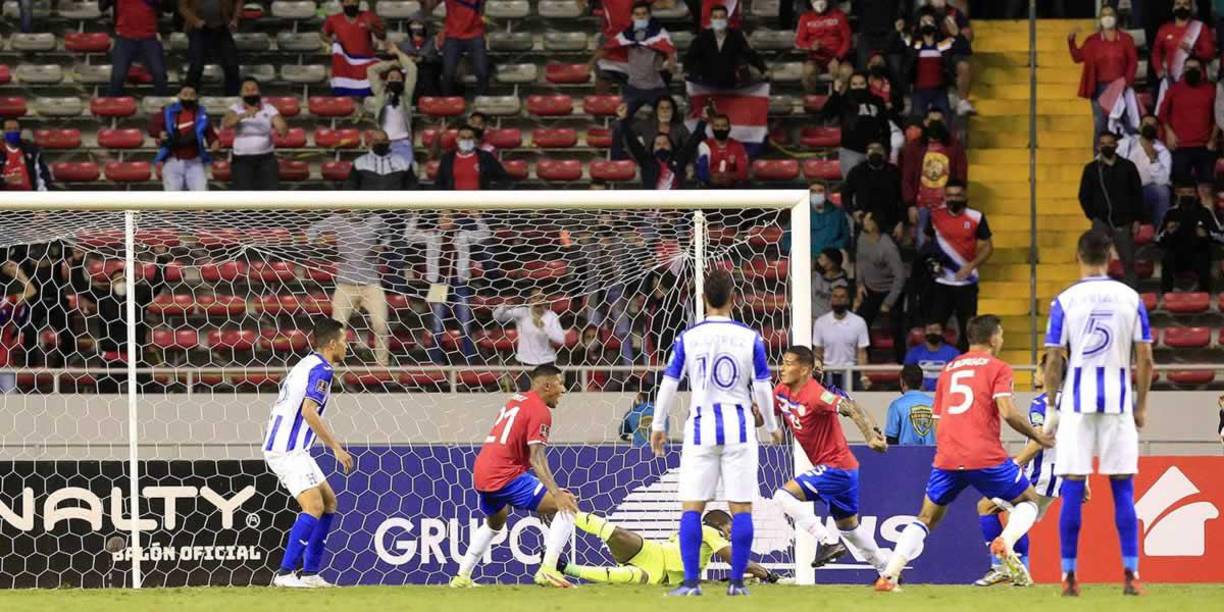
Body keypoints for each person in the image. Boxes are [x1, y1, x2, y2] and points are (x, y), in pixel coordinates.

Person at [875, 315, 1055, 592]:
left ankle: (889, 575)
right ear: (994, 337)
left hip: (947, 456)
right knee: (1028, 500)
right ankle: (1005, 542)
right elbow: (1007, 412)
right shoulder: (998, 368)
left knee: (926, 517)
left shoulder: (948, 370)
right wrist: (1036, 435)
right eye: (1002, 335)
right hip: (985, 455)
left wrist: (949, 448)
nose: (1003, 340)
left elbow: (937, 419)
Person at [649, 269, 782, 597]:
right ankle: (737, 583)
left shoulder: (688, 337)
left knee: (692, 508)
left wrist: (657, 424)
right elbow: (762, 386)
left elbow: (669, 382)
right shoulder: (751, 337)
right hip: (740, 431)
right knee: (742, 510)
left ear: (704, 299)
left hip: (700, 431)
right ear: (734, 299)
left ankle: (692, 583)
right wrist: (772, 424)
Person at [1043, 229, 1154, 597]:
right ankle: (1131, 573)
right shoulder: (1130, 298)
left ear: (1078, 255)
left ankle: (1069, 575)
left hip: (1076, 404)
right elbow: (1145, 357)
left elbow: (1054, 358)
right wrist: (1140, 407)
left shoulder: (1065, 300)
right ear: (1110, 255)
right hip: (1118, 403)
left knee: (1073, 486)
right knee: (1122, 488)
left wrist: (1052, 404)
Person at [451, 364, 578, 588]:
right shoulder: (541, 411)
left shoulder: (517, 399)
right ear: (547, 385)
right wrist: (556, 494)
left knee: (495, 523)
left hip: (483, 471)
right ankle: (549, 570)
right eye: (560, 383)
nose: (563, 390)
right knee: (567, 505)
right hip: (505, 474)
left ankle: (462, 577)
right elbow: (536, 458)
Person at [771, 345, 890, 572]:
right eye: (783, 362)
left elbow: (852, 407)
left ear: (804, 369)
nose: (782, 368)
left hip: (836, 467)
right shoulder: (781, 392)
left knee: (782, 497)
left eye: (788, 363)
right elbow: (762, 415)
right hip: (844, 469)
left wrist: (871, 436)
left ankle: (828, 542)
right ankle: (888, 571)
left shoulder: (818, 395)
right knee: (850, 529)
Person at [264, 319, 352, 588]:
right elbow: (308, 411)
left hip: (294, 447)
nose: (348, 347)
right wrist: (336, 447)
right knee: (313, 505)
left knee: (329, 503)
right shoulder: (322, 370)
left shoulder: (309, 363)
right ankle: (285, 574)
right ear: (332, 344)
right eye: (345, 341)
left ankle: (311, 573)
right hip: (286, 448)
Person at [974, 352, 1064, 587]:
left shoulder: (1042, 402)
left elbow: (1039, 438)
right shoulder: (1073, 404)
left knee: (985, 506)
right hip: (1057, 477)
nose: (1035, 373)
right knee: (1018, 517)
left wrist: (1017, 462)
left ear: (1048, 374)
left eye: (1038, 369)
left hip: (1038, 473)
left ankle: (1000, 565)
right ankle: (1020, 572)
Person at [559, 509, 778, 585]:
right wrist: (765, 573)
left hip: (660, 572)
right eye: (730, 529)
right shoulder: (709, 531)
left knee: (621, 566)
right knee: (619, 538)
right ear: (719, 524)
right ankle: (566, 512)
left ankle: (567, 567)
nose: (730, 536)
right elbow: (736, 560)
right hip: (655, 557)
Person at [403, 211, 490, 364]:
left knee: (465, 323)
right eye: (442, 217)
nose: (445, 220)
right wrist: (416, 215)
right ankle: (435, 362)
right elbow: (409, 236)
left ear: (453, 220)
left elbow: (485, 234)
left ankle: (470, 361)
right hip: (438, 283)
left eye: (448, 217)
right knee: (437, 325)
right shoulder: (432, 235)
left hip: (459, 282)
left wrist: (477, 217)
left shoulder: (462, 234)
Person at [307, 211, 391, 366]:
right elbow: (312, 230)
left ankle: (382, 367)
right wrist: (318, 241)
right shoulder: (337, 220)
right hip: (346, 285)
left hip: (371, 284)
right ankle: (332, 368)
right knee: (336, 328)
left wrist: (383, 247)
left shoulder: (376, 220)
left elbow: (388, 235)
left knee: (381, 325)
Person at [926, 180, 993, 352]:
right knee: (934, 328)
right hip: (941, 283)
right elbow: (928, 242)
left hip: (967, 284)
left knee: (968, 330)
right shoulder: (934, 215)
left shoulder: (976, 217)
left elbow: (988, 247)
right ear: (945, 196)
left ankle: (966, 363)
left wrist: (970, 266)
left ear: (965, 196)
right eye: (950, 195)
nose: (954, 199)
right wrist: (932, 262)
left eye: (958, 195)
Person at [1077, 131, 1143, 289]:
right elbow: (1084, 195)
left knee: (1128, 260)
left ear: (1116, 145)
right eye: (1103, 144)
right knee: (1097, 259)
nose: (1106, 146)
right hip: (1101, 220)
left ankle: (1130, 293)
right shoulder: (1092, 169)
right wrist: (1093, 216)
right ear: (1099, 146)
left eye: (1109, 143)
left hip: (1124, 221)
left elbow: (1137, 194)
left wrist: (1136, 219)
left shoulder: (1128, 167)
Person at [1067, 5, 1139, 145]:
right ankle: (1098, 159)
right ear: (1100, 20)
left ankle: (1132, 158)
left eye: (1110, 14)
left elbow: (1133, 63)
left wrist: (1126, 83)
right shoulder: (1092, 41)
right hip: (1099, 89)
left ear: (1116, 18)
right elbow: (1077, 57)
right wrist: (1071, 41)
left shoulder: (1126, 39)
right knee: (1100, 126)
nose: (1107, 17)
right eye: (1104, 15)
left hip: (1121, 87)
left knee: (1127, 124)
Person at [594, 2, 677, 119]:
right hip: (634, 89)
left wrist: (671, 64)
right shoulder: (627, 33)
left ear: (649, 15)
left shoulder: (660, 35)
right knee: (621, 120)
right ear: (632, 17)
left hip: (656, 89)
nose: (641, 17)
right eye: (637, 14)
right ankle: (602, 117)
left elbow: (670, 50)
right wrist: (589, 64)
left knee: (667, 117)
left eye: (644, 14)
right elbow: (609, 46)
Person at [900, 108, 967, 243]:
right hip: (921, 206)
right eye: (932, 121)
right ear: (925, 122)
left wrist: (957, 203)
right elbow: (907, 177)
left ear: (945, 122)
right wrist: (910, 205)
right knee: (922, 246)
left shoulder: (955, 146)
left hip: (946, 206)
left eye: (939, 121)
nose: (935, 124)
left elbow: (961, 175)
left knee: (948, 246)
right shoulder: (914, 147)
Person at [1158, 56, 1218, 203]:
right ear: (1183, 70)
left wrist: (1213, 139)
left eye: (1195, 68)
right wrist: (1169, 132)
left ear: (1202, 71)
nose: (1192, 71)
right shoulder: (1174, 90)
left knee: (1206, 189)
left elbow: (1219, 117)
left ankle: (1208, 222)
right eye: (1188, 68)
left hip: (1204, 147)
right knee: (1181, 190)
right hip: (1180, 147)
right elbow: (1162, 115)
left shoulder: (1211, 90)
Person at [615, 101, 708, 190]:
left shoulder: (679, 160)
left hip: (676, 204)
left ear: (671, 146)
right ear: (653, 148)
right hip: (652, 204)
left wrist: (703, 119)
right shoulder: (647, 162)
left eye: (665, 143)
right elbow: (632, 141)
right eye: (658, 144)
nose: (662, 146)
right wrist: (624, 120)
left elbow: (693, 141)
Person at [854, 211, 906, 359]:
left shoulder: (888, 247)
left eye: (868, 220)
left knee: (897, 329)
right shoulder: (862, 238)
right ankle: (865, 360)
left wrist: (889, 302)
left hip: (890, 290)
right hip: (870, 288)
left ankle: (900, 362)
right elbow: (859, 260)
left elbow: (900, 277)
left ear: (875, 224)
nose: (864, 221)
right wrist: (859, 284)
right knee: (860, 324)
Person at [493, 290, 569, 390]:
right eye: (535, 298)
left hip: (546, 362)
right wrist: (505, 306)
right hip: (526, 362)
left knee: (545, 397)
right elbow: (498, 316)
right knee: (527, 396)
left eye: (541, 298)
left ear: (546, 301)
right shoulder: (522, 313)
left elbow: (561, 339)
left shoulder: (551, 316)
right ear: (530, 301)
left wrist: (544, 327)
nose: (538, 301)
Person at [821, 72, 890, 179]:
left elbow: (885, 127)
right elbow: (826, 114)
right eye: (854, 84)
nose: (858, 87)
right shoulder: (843, 100)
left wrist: (886, 149)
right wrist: (835, 93)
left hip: (874, 151)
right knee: (851, 188)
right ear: (850, 85)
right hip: (850, 151)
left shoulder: (877, 101)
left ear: (867, 84)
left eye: (861, 84)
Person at [1157, 180, 1223, 292]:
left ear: (1196, 194)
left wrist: (1206, 234)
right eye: (1183, 193)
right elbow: (1158, 239)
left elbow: (1220, 237)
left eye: (1190, 193)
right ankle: (1165, 295)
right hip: (1177, 254)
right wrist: (1168, 232)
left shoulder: (1205, 212)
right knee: (1167, 258)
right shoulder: (1170, 213)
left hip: (1198, 253)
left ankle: (1205, 295)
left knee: (1204, 258)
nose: (1186, 196)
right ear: (1177, 194)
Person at [222, 78, 288, 191]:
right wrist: (244, 115)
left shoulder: (269, 108)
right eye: (246, 90)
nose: (250, 92)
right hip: (241, 160)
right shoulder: (235, 108)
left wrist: (280, 127)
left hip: (266, 159)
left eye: (253, 90)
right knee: (244, 196)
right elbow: (226, 124)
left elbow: (283, 130)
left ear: (259, 92)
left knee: (270, 194)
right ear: (241, 93)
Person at [903, 7, 969, 119]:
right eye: (923, 22)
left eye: (930, 21)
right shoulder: (913, 45)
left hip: (939, 92)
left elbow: (965, 50)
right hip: (919, 92)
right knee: (917, 124)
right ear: (918, 25)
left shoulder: (944, 44)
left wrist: (957, 35)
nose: (927, 24)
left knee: (945, 125)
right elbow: (893, 48)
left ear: (935, 24)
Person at [151, 84, 219, 192]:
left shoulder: (202, 115)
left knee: (202, 198)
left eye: (191, 95)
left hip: (195, 161)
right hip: (172, 160)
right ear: (179, 96)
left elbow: (210, 133)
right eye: (185, 94)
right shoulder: (168, 112)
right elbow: (153, 127)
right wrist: (160, 133)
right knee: (172, 201)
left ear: (196, 97)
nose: (188, 98)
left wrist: (214, 142)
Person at [683, 5, 768, 91]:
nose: (718, 20)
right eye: (715, 17)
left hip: (729, 84)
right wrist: (686, 70)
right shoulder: (703, 37)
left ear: (727, 19)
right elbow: (691, 56)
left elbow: (749, 54)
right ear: (711, 19)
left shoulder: (735, 36)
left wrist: (763, 69)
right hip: (706, 84)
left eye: (721, 17)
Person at [1151, 0, 1216, 106]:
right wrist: (1159, 69)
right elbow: (1156, 52)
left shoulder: (1200, 27)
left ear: (1191, 7)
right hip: (1171, 80)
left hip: (1195, 79)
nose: (1182, 7)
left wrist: (1193, 51)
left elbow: (1209, 53)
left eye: (1185, 4)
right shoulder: (1164, 29)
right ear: (1173, 7)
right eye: (1178, 4)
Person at [101, 0, 169, 97]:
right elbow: (102, 6)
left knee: (160, 74)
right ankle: (113, 105)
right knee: (118, 77)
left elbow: (168, 8)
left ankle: (163, 107)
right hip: (125, 37)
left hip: (149, 37)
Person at [368, 42, 419, 166]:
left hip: (403, 142)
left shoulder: (406, 95)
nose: (395, 79)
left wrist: (397, 53)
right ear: (386, 81)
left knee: (406, 173)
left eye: (398, 78)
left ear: (403, 81)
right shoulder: (381, 93)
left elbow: (412, 69)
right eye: (391, 77)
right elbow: (371, 70)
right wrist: (395, 64)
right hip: (382, 142)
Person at [1118, 115, 1173, 229]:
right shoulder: (1126, 144)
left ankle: (1159, 232)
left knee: (1162, 191)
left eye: (1153, 125)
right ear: (1139, 127)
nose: (1149, 127)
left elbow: (1163, 180)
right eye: (1146, 124)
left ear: (1157, 129)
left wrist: (1153, 159)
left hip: (1146, 191)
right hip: (1124, 189)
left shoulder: (1162, 151)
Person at [321, 0, 385, 97]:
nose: (351, 4)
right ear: (342, 3)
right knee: (344, 93)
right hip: (344, 63)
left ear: (359, 3)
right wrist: (332, 42)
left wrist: (372, 28)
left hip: (365, 63)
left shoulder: (369, 16)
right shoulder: (333, 19)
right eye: (347, 2)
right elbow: (324, 34)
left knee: (367, 93)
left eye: (354, 1)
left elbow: (382, 36)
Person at [812, 285, 871, 392]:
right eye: (835, 296)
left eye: (842, 297)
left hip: (851, 372)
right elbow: (818, 352)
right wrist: (817, 375)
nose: (838, 300)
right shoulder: (821, 322)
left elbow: (861, 352)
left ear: (848, 300)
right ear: (831, 299)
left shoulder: (859, 322)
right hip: (828, 372)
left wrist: (864, 376)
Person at [843, 140, 905, 238]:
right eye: (872, 150)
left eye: (879, 149)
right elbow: (846, 195)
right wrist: (853, 211)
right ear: (866, 154)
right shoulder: (856, 171)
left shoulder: (894, 171)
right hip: (864, 221)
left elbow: (902, 198)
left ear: (884, 153)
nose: (875, 152)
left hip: (890, 223)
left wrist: (901, 222)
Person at [427, 0, 490, 96]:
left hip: (475, 34)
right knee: (448, 74)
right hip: (452, 36)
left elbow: (483, 6)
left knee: (482, 72)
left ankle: (481, 102)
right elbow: (430, 6)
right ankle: (448, 102)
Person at [179, 0, 242, 95]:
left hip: (221, 26)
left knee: (232, 64)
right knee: (196, 66)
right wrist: (194, 20)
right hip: (198, 28)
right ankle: (188, 97)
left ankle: (232, 97)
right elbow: (182, 7)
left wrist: (235, 19)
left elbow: (239, 1)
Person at [795, 0, 851, 91]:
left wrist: (837, 58)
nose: (819, 1)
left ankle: (842, 100)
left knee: (846, 71)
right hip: (816, 60)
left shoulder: (839, 15)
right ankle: (812, 99)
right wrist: (810, 46)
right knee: (808, 71)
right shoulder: (805, 17)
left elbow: (847, 40)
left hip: (837, 59)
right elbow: (799, 41)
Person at [616, 94, 690, 161]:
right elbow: (627, 136)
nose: (665, 111)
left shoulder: (680, 128)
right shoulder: (645, 124)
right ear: (656, 110)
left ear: (673, 111)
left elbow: (690, 147)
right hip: (648, 164)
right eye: (661, 108)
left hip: (672, 165)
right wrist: (635, 157)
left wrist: (687, 164)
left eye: (668, 108)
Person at [435, 125, 510, 190]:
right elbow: (439, 183)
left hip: (479, 203)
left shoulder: (486, 157)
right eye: (463, 138)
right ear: (457, 140)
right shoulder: (447, 158)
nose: (467, 140)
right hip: (455, 203)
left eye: (470, 138)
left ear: (475, 140)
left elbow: (504, 179)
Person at [343, 130, 418, 191]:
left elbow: (412, 187)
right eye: (376, 140)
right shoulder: (359, 162)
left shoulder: (403, 163)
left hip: (395, 207)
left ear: (389, 142)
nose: (380, 143)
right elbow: (350, 186)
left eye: (383, 140)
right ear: (371, 142)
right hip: (367, 207)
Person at [0, 261, 34, 393]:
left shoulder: (5, 303)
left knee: (12, 404)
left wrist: (19, 273)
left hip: (4, 365)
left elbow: (31, 290)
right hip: (4, 365)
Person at [885, 364, 936, 445]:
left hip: (905, 455)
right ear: (922, 382)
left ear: (902, 381)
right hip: (932, 454)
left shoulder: (896, 405)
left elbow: (891, 439)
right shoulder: (935, 403)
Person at [695, 114, 750, 188]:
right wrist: (713, 178)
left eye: (724, 126)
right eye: (717, 126)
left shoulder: (738, 146)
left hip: (732, 187)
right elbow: (702, 172)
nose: (720, 129)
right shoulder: (704, 145)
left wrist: (729, 176)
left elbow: (743, 173)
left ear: (729, 128)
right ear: (712, 128)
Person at [903, 320, 960, 391]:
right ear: (924, 332)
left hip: (945, 393)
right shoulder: (913, 353)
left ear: (942, 333)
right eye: (930, 330)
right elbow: (907, 375)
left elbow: (957, 375)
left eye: (936, 330)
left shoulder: (953, 353)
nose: (933, 332)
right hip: (920, 394)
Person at [1, 118, 52, 191]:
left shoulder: (31, 150)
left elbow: (42, 175)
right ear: (3, 132)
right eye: (9, 129)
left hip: (28, 197)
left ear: (20, 131)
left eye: (16, 129)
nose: (13, 131)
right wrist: (4, 180)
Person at [399, 18, 442, 100]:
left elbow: (437, 58)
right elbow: (401, 58)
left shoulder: (433, 41)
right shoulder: (404, 43)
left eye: (419, 25)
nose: (416, 28)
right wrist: (408, 59)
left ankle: (430, 100)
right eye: (414, 25)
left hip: (429, 67)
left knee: (426, 73)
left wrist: (423, 59)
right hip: (410, 67)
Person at [809, 183, 849, 256]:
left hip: (832, 255)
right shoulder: (800, 211)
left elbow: (845, 237)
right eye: (813, 191)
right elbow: (788, 239)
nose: (816, 194)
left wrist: (831, 248)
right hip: (808, 256)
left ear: (826, 193)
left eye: (820, 191)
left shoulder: (838, 213)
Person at [811, 246, 850, 320]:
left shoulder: (842, 284)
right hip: (809, 318)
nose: (818, 260)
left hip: (828, 321)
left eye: (822, 259)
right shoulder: (815, 275)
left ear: (831, 263)